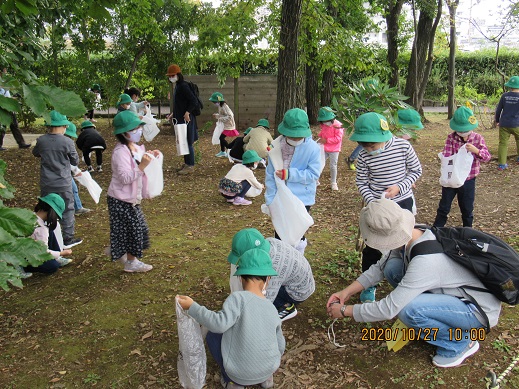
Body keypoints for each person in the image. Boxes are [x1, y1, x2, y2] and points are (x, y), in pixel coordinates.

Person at [326, 198, 501, 368]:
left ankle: (459, 343)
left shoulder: (425, 262)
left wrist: (345, 311)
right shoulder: (414, 233)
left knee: (408, 310)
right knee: (392, 267)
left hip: (477, 310)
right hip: (453, 292)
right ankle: (430, 317)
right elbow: (381, 267)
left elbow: (388, 309)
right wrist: (346, 292)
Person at [177, 248, 285, 389]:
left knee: (212, 335)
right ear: (268, 279)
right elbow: (281, 345)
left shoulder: (237, 298)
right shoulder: (271, 308)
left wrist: (193, 307)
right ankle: (266, 380)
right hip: (269, 368)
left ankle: (233, 382)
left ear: (240, 278)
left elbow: (218, 325)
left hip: (239, 374)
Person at [350, 111, 422, 303]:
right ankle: (369, 285)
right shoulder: (364, 156)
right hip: (377, 207)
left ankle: (406, 277)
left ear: (383, 136)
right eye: (364, 146)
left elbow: (416, 170)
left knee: (404, 242)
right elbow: (362, 182)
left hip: (402, 202)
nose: (369, 150)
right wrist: (374, 203)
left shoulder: (403, 147)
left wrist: (400, 187)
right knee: (373, 246)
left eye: (372, 145)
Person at [107, 110, 160, 273]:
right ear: (123, 133)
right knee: (133, 231)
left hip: (132, 198)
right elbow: (125, 177)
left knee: (135, 229)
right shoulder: (120, 152)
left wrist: (152, 156)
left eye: (139, 127)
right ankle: (131, 262)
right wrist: (142, 165)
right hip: (120, 199)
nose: (138, 131)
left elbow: (141, 166)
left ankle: (118, 250)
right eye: (134, 129)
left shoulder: (135, 147)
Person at [227, 228, 315, 322]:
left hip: (298, 291)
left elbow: (266, 300)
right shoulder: (269, 242)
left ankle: (285, 307)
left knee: (258, 307)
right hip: (295, 278)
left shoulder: (272, 268)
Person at [265, 108, 321, 253]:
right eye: (292, 136)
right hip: (280, 197)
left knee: (297, 230)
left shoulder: (313, 149)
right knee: (280, 230)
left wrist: (290, 174)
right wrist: (270, 199)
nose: (295, 139)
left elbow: (313, 174)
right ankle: (281, 259)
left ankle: (298, 259)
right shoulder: (276, 148)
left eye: (298, 136)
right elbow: (270, 175)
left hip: (303, 198)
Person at [433, 106, 491, 228]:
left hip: (468, 179)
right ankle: (436, 230)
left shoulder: (478, 138)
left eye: (465, 131)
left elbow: (486, 157)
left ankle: (468, 232)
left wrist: (476, 151)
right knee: (444, 206)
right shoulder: (451, 138)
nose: (463, 134)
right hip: (450, 178)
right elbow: (447, 155)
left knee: (467, 208)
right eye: (461, 131)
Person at [33, 111, 83, 249]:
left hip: (46, 182)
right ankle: (67, 238)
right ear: (64, 126)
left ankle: (48, 237)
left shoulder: (41, 140)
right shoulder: (67, 142)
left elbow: (36, 153)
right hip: (63, 182)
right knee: (67, 209)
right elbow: (75, 160)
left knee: (47, 208)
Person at [23, 194, 74, 276]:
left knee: (50, 229)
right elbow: (43, 252)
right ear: (52, 212)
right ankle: (24, 267)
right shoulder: (41, 229)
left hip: (25, 249)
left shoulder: (30, 216)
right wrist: (61, 253)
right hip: (29, 255)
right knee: (52, 266)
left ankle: (56, 257)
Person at [165, 64, 199, 175]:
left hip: (186, 119)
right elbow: (180, 104)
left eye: (173, 75)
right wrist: (173, 113)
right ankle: (187, 163)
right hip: (180, 119)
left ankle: (191, 165)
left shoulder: (183, 86)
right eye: (169, 76)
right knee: (183, 141)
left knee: (188, 142)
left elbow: (193, 101)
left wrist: (187, 113)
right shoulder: (178, 86)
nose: (171, 78)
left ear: (178, 74)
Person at [0, 69, 31, 150]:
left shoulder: (5, 83)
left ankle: (21, 143)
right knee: (2, 127)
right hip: (2, 108)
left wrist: (14, 97)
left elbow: (7, 97)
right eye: (4, 72)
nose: (5, 73)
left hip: (9, 107)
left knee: (14, 125)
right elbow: (2, 99)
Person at [64, 123, 91, 215]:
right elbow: (74, 160)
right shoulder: (68, 143)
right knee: (72, 189)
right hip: (64, 172)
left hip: (51, 174)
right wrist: (75, 170)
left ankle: (76, 207)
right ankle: (77, 208)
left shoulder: (47, 141)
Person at [494, 75, 519, 171]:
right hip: (517, 124)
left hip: (504, 124)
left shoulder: (504, 96)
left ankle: (502, 164)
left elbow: (499, 110)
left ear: (510, 86)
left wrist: (497, 120)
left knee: (503, 144)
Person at [317, 106, 344, 190]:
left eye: (326, 121)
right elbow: (323, 133)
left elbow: (338, 138)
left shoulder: (338, 125)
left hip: (334, 149)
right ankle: (315, 179)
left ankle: (333, 182)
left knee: (333, 166)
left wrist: (326, 140)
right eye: (323, 121)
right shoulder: (324, 125)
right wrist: (320, 137)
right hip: (324, 148)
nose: (325, 123)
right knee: (319, 163)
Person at [210, 92, 238, 158]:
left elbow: (230, 116)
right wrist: (217, 115)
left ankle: (229, 148)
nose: (214, 103)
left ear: (219, 101)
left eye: (215, 102)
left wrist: (219, 117)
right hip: (225, 125)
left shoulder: (225, 106)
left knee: (221, 138)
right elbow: (223, 115)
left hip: (229, 126)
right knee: (221, 137)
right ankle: (223, 151)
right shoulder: (220, 106)